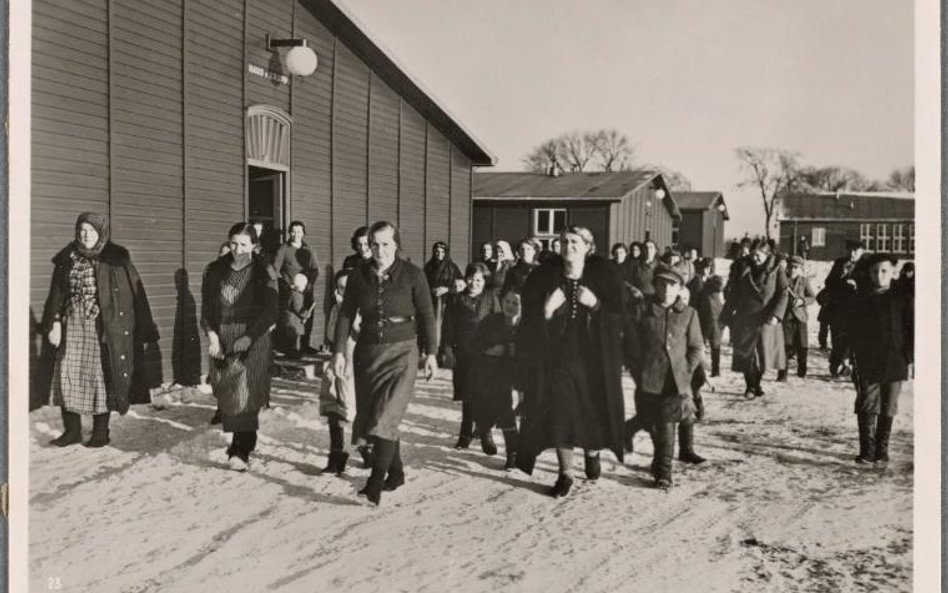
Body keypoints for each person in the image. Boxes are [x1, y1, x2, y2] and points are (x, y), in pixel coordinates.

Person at [331, 221, 438, 506]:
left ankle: (375, 482)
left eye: (386, 244)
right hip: (367, 353)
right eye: (374, 244)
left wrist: (432, 353)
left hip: (403, 351)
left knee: (386, 415)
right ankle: (397, 472)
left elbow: (427, 315)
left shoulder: (413, 275)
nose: (380, 250)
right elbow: (345, 315)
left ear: (396, 245)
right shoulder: (358, 277)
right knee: (377, 415)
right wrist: (339, 351)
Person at [516, 226, 625, 497]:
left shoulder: (605, 276)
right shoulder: (543, 277)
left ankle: (592, 451)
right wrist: (547, 310)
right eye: (564, 241)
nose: (569, 246)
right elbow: (528, 323)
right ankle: (565, 473)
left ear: (588, 246)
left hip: (593, 358)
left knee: (591, 409)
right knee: (561, 410)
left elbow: (619, 316)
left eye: (575, 241)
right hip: (557, 357)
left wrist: (596, 304)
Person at [43, 212, 160, 448]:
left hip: (102, 327)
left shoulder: (116, 259)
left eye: (91, 231)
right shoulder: (68, 257)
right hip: (72, 325)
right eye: (82, 230)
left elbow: (137, 296)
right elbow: (56, 293)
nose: (85, 235)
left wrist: (145, 330)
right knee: (68, 376)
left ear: (101, 233)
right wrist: (53, 322)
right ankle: (72, 431)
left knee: (100, 378)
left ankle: (100, 432)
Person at [202, 223, 279, 471]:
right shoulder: (215, 269)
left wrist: (250, 336)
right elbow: (206, 310)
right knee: (227, 390)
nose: (237, 249)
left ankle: (241, 449)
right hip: (223, 334)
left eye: (244, 244)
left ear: (254, 246)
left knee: (246, 391)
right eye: (233, 243)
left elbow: (271, 310)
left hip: (253, 336)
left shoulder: (263, 270)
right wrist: (212, 336)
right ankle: (242, 441)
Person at [626, 265, 704, 488]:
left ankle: (664, 473)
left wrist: (686, 369)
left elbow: (696, 347)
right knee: (651, 423)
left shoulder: (689, 314)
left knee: (667, 425)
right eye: (662, 284)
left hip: (675, 382)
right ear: (655, 285)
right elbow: (630, 346)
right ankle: (659, 460)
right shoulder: (642, 311)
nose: (667, 289)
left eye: (672, 285)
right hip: (648, 380)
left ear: (680, 288)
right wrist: (636, 370)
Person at [847, 253, 913, 466]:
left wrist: (911, 358)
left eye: (884, 271)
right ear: (868, 273)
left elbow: (912, 330)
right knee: (867, 403)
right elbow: (850, 332)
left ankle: (882, 450)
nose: (879, 275)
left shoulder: (903, 298)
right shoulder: (860, 299)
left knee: (888, 405)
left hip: (896, 361)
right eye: (874, 271)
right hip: (868, 362)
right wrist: (846, 356)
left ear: (893, 271)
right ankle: (867, 450)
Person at [442, 263, 501, 452]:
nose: (473, 283)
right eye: (470, 278)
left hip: (486, 355)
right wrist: (448, 350)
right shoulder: (457, 300)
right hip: (464, 355)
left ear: (485, 281)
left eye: (478, 280)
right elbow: (448, 327)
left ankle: (486, 435)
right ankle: (465, 435)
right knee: (468, 395)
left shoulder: (490, 298)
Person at [720, 240, 788, 399]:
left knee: (764, 355)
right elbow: (734, 293)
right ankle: (750, 386)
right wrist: (726, 315)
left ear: (767, 254)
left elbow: (783, 292)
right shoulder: (741, 267)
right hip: (746, 317)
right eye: (752, 255)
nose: (755, 258)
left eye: (758, 255)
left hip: (767, 317)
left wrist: (776, 315)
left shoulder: (777, 268)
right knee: (746, 355)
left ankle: (756, 383)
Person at [469, 286, 523, 470]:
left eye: (515, 302)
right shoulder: (490, 320)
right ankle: (485, 431)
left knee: (507, 410)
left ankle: (513, 454)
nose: (510, 306)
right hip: (489, 371)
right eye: (507, 301)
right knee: (490, 404)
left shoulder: (527, 326)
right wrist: (488, 350)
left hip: (518, 373)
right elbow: (473, 342)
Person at [320, 269, 360, 475]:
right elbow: (329, 334)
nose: (344, 291)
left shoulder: (362, 307)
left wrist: (348, 311)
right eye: (340, 287)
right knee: (333, 408)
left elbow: (362, 332)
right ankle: (336, 456)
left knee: (353, 409)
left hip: (357, 365)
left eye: (348, 287)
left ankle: (367, 449)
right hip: (337, 364)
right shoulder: (336, 308)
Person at [824, 239, 870, 377]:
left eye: (856, 250)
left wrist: (857, 285)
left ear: (862, 251)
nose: (852, 253)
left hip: (858, 310)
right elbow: (828, 282)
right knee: (838, 339)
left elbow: (870, 284)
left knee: (855, 339)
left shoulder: (866, 265)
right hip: (839, 309)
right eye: (850, 250)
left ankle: (850, 366)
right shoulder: (840, 263)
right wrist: (842, 279)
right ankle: (835, 364)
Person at [676, 286, 707, 465]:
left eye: (686, 298)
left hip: (689, 369)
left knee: (687, 411)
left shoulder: (691, 316)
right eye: (679, 297)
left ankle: (686, 450)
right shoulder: (666, 316)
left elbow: (698, 345)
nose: (682, 301)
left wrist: (697, 367)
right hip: (669, 369)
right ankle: (662, 455)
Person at [423, 241, 462, 356]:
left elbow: (461, 285)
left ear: (446, 253)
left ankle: (444, 354)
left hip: (448, 302)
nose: (439, 254)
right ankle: (431, 353)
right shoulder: (428, 267)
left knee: (446, 328)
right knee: (432, 328)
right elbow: (423, 284)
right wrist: (432, 290)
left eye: (442, 252)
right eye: (436, 251)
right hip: (432, 302)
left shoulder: (452, 268)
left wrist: (447, 289)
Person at [780, 255, 816, 380]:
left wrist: (802, 301)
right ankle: (782, 374)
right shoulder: (782, 280)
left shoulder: (804, 281)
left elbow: (812, 297)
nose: (793, 270)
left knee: (802, 346)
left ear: (800, 268)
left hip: (801, 318)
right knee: (785, 345)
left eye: (796, 267)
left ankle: (802, 371)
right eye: (790, 267)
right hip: (786, 317)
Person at [690, 258, 724, 377]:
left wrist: (707, 280)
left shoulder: (716, 279)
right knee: (699, 342)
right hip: (701, 315)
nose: (707, 270)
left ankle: (716, 369)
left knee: (715, 343)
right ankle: (699, 368)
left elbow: (719, 287)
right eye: (705, 267)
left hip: (715, 316)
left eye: (709, 267)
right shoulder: (696, 280)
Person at [277, 273, 312, 359]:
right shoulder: (297, 295)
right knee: (294, 339)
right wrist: (306, 314)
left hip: (289, 321)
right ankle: (295, 355)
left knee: (290, 340)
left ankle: (292, 353)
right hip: (294, 323)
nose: (304, 288)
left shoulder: (290, 293)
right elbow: (299, 309)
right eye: (304, 285)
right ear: (300, 285)